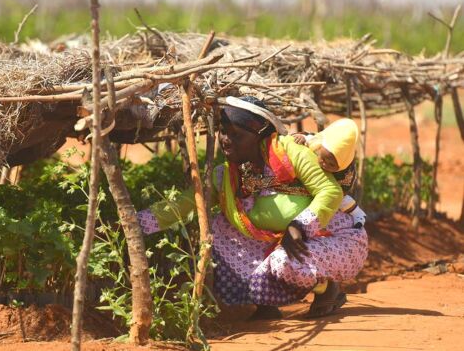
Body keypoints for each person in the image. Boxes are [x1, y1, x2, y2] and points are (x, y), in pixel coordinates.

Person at [136, 96, 368, 319]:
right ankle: (266, 304)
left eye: (235, 134)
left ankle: (326, 288)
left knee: (283, 262)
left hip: (334, 238)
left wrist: (299, 227)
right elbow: (184, 205)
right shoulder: (227, 176)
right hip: (278, 240)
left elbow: (331, 192)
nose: (225, 139)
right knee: (220, 229)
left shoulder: (291, 152)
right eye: (223, 132)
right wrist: (134, 223)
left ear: (258, 136)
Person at [292, 118, 367, 228]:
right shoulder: (317, 142)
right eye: (322, 158)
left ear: (341, 165)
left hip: (330, 187)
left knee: (341, 201)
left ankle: (358, 215)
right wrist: (301, 138)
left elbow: (338, 193)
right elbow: (308, 137)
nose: (324, 164)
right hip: (310, 180)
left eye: (331, 164)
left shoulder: (346, 173)